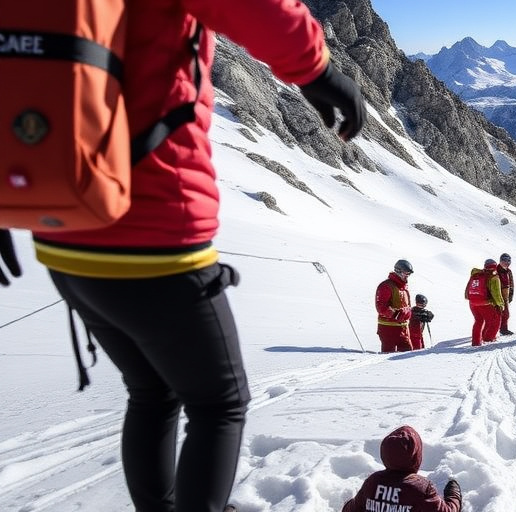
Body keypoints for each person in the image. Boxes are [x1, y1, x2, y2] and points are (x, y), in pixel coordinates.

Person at [0, 2, 365, 510]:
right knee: (219, 404)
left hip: (62, 236)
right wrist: (317, 69)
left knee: (152, 391)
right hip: (156, 232)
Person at [341, 425, 462, 512]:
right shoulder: (421, 488)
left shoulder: (372, 482)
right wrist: (453, 494)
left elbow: (350, 509)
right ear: (416, 456)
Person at [376, 260, 415, 353]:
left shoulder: (404, 288)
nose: (407, 275)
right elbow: (381, 307)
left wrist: (409, 313)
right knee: (389, 354)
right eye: (406, 273)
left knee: (407, 355)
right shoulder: (386, 286)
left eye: (409, 273)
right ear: (398, 271)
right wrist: (395, 314)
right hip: (388, 328)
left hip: (403, 328)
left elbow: (407, 306)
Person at [464, 259, 504, 346]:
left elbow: (467, 289)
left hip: (472, 303)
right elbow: (496, 294)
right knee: (495, 320)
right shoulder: (493, 277)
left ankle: (476, 342)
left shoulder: (476, 274)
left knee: (478, 321)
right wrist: (500, 304)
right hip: (485, 303)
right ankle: (488, 339)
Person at [496, 253, 515, 335]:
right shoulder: (495, 270)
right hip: (496, 295)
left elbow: (511, 283)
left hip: (506, 295)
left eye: (508, 261)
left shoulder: (508, 271)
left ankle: (503, 329)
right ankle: (491, 331)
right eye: (504, 260)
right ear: (500, 261)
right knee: (496, 314)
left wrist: (511, 294)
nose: (507, 262)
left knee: (506, 314)